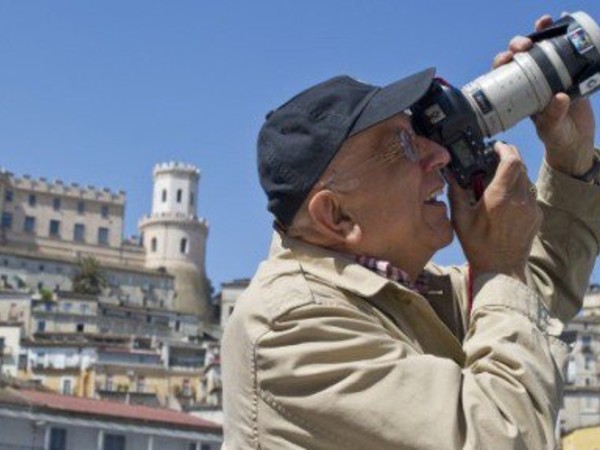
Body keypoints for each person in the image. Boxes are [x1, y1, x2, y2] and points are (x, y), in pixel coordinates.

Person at [222, 15, 600, 450]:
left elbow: (536, 293)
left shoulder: (406, 293)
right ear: (336, 216)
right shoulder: (288, 328)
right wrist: (500, 267)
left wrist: (570, 157)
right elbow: (499, 438)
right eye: (402, 145)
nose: (439, 154)